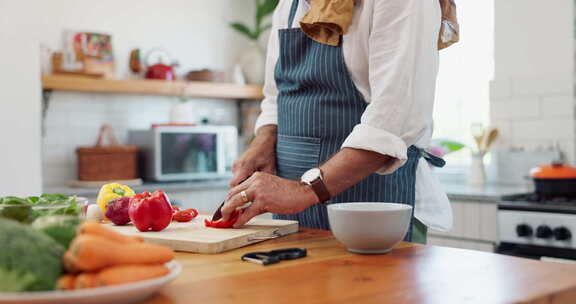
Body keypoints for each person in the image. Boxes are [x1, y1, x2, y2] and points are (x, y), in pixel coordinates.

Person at [220, 0, 457, 243]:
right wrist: (264, 140)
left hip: (375, 216)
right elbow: (274, 97)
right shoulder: (288, 5)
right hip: (294, 220)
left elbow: (392, 122)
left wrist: (303, 190)